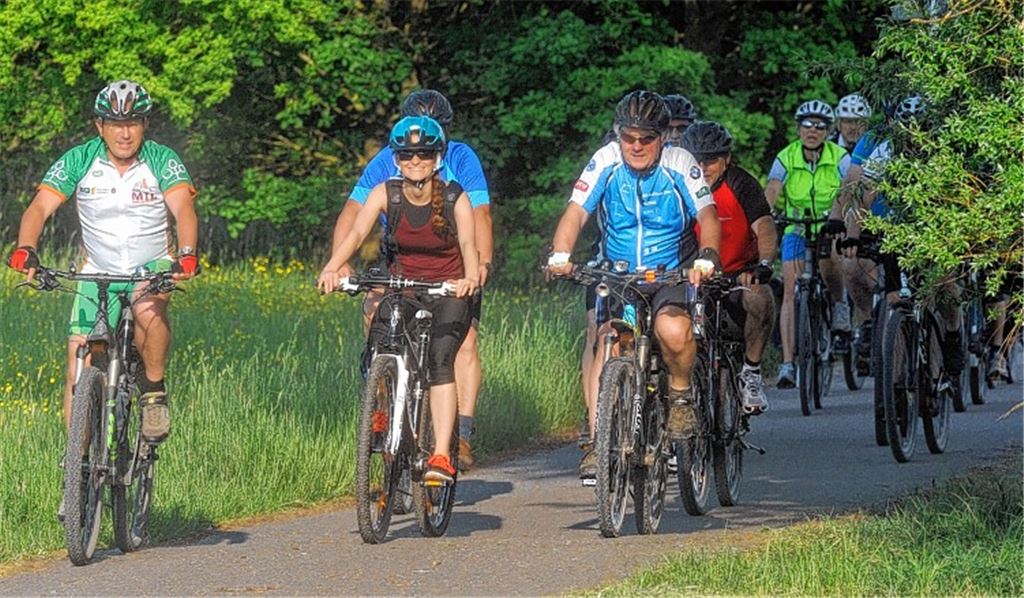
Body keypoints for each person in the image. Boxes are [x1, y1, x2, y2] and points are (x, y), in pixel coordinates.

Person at [6, 80, 199, 516]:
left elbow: (184, 209)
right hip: (98, 269)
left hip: (150, 266)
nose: (124, 132)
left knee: (149, 309)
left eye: (132, 122)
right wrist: (26, 247)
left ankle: (152, 390)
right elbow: (39, 207)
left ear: (145, 124)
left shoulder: (162, 161)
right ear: (100, 125)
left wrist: (185, 255)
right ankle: (75, 467)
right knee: (79, 357)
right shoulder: (79, 159)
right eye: (115, 123)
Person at [546, 90, 720, 479]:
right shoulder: (605, 160)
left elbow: (708, 216)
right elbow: (576, 212)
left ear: (663, 138)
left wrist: (707, 256)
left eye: (646, 138)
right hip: (617, 273)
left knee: (672, 331)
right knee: (606, 337)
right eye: (629, 136)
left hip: (669, 271)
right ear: (618, 134)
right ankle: (596, 438)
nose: (636, 145)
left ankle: (679, 397)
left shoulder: (680, 162)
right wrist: (560, 254)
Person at [329, 89, 491, 470]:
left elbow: (479, 217)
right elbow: (353, 215)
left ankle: (461, 436)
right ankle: (383, 395)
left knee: (462, 341)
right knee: (373, 308)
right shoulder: (388, 160)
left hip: (452, 265)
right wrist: (337, 265)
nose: (415, 158)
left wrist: (480, 268)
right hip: (399, 259)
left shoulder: (460, 158)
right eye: (407, 151)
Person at [833, 95, 964, 388]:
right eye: (906, 131)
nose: (913, 138)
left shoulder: (940, 152)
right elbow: (862, 193)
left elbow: (954, 199)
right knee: (892, 294)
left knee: (941, 285)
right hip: (892, 227)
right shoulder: (885, 150)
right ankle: (894, 378)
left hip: (934, 226)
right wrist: (853, 235)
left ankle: (952, 338)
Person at [682, 121, 777, 413]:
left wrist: (763, 264)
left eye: (709, 160)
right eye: (695, 159)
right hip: (689, 275)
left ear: (726, 159)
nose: (702, 166)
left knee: (761, 298)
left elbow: (764, 226)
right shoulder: (677, 184)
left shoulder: (741, 184)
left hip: (737, 273)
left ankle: (750, 373)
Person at [764, 99, 850, 389]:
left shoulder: (839, 156)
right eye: (806, 125)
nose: (812, 131)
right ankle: (787, 364)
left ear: (828, 131)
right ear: (798, 128)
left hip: (828, 224)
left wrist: (839, 215)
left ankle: (839, 305)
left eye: (819, 126)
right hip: (797, 227)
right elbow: (773, 188)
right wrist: (766, 212)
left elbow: (849, 189)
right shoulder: (786, 156)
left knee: (830, 263)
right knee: (790, 290)